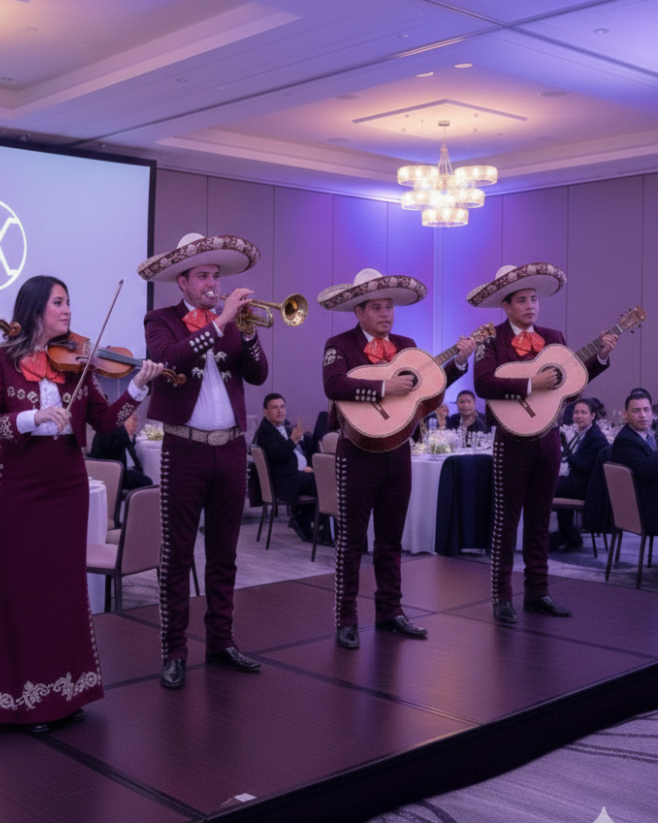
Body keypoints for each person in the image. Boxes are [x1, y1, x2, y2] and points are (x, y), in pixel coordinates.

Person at [0, 276, 163, 731]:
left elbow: (106, 422)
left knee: (65, 592)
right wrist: (30, 418)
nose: (68, 310)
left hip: (68, 485)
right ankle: (27, 700)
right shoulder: (1, 360)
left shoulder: (77, 364)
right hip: (20, 487)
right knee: (24, 591)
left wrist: (137, 387)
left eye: (69, 302)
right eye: (59, 302)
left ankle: (66, 693)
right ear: (35, 308)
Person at [138, 232, 268, 689]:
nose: (212, 283)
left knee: (224, 553)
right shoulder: (160, 319)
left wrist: (247, 333)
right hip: (184, 447)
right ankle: (175, 650)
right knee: (177, 554)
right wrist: (222, 321)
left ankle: (221, 641)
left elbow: (258, 375)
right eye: (202, 276)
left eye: (215, 275)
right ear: (183, 281)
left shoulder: (232, 321)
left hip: (231, 446)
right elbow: (167, 358)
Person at [320, 269, 474, 649]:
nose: (386, 314)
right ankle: (346, 618)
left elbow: (428, 391)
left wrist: (458, 363)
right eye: (377, 307)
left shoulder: (407, 346)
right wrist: (385, 386)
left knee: (391, 539)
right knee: (351, 541)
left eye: (389, 307)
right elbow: (334, 385)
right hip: (356, 452)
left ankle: (390, 611)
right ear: (359, 311)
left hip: (399, 449)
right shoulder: (339, 344)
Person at [467, 263, 616, 624]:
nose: (531, 305)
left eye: (534, 299)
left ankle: (538, 592)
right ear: (506, 306)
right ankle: (502, 596)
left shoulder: (553, 336)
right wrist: (533, 383)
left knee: (540, 519)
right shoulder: (490, 339)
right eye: (522, 300)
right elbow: (483, 385)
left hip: (548, 436)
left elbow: (569, 386)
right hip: (511, 438)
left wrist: (600, 357)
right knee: (506, 521)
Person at [252, 393, 316, 541]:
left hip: (290, 475)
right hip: (282, 483)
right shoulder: (265, 433)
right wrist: (293, 440)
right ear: (265, 411)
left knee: (321, 479)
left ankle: (304, 518)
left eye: (282, 407)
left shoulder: (283, 427)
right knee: (322, 483)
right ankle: (304, 520)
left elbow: (293, 454)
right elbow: (280, 455)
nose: (280, 411)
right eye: (274, 407)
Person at [552, 398, 608, 550]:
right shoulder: (584, 433)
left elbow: (584, 465)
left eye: (583, 412)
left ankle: (566, 535)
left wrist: (569, 456)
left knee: (548, 487)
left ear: (592, 415)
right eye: (576, 412)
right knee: (552, 483)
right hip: (578, 480)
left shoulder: (596, 438)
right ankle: (565, 534)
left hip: (588, 486)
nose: (579, 416)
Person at [610, 392, 658, 533]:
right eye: (636, 411)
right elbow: (646, 471)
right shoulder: (625, 441)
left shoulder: (644, 436)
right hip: (645, 510)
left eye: (646, 410)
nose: (643, 415)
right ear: (625, 415)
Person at [89, 411, 153, 492]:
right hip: (113, 472)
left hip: (110, 470)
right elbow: (110, 451)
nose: (135, 427)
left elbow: (132, 457)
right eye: (133, 422)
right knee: (147, 482)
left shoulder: (113, 429)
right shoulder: (117, 431)